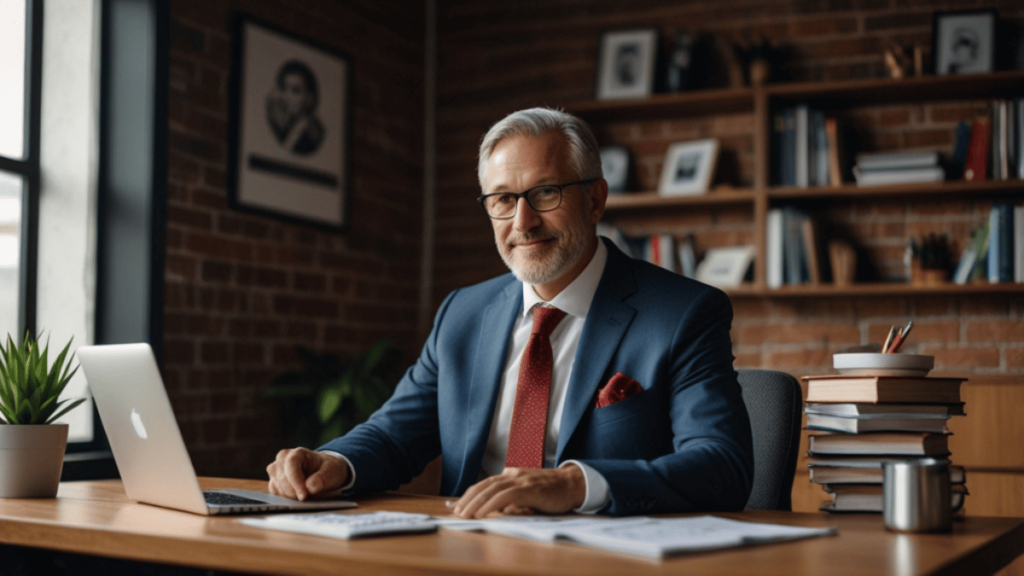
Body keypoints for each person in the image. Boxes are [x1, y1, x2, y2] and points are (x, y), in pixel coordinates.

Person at [267, 107, 753, 518]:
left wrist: (575, 485)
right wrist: (334, 460)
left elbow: (721, 465)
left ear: (595, 199)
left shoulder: (684, 313)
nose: (523, 222)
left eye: (545, 193)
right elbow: (394, 436)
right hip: (465, 552)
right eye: (503, 199)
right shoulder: (463, 313)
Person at [265, 59, 325, 156]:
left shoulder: (313, 132)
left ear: (309, 98)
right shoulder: (279, 123)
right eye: (284, 88)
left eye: (296, 91)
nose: (287, 96)